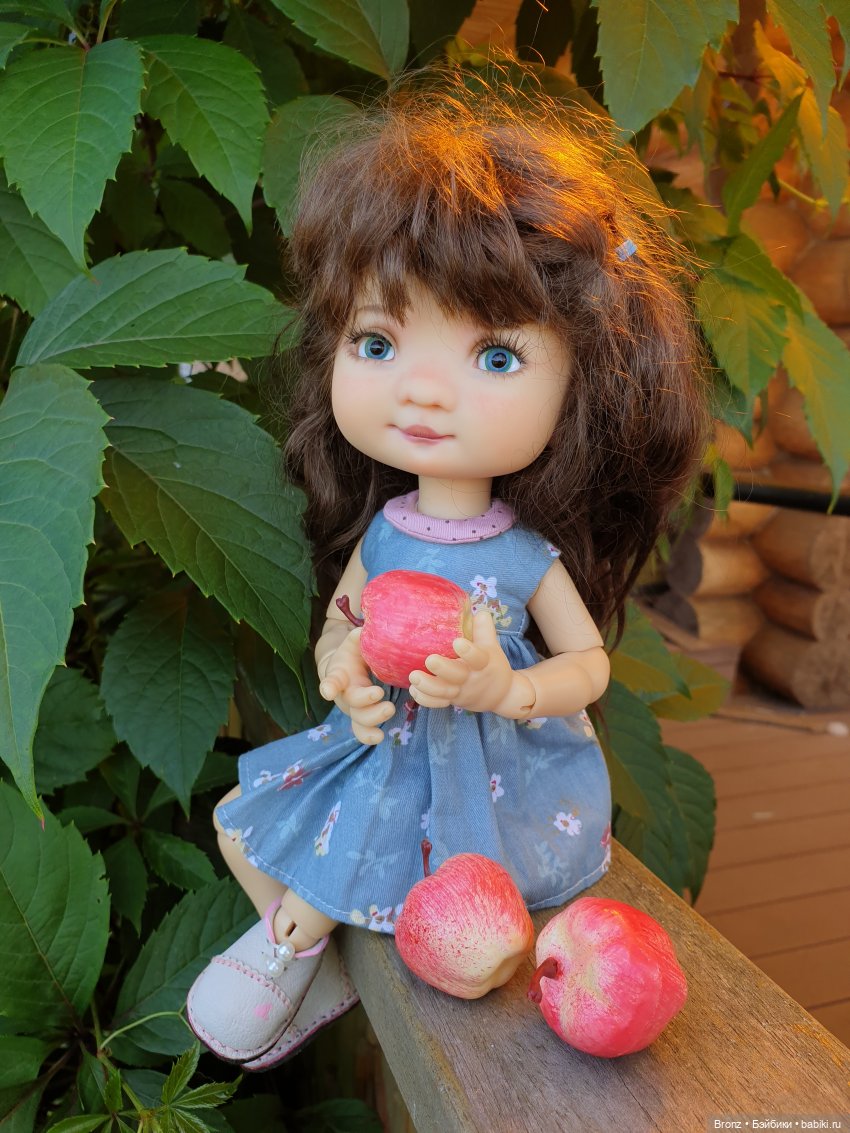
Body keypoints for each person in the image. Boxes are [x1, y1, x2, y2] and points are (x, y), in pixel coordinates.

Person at [186, 69, 708, 1069]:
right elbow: (343, 619)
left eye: (495, 357)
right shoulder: (385, 531)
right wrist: (342, 665)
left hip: (483, 776)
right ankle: (316, 960)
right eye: (377, 340)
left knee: (359, 858)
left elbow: (587, 666)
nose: (423, 391)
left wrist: (507, 687)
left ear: (579, 384)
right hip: (381, 742)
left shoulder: (518, 553)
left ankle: (292, 945)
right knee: (237, 822)